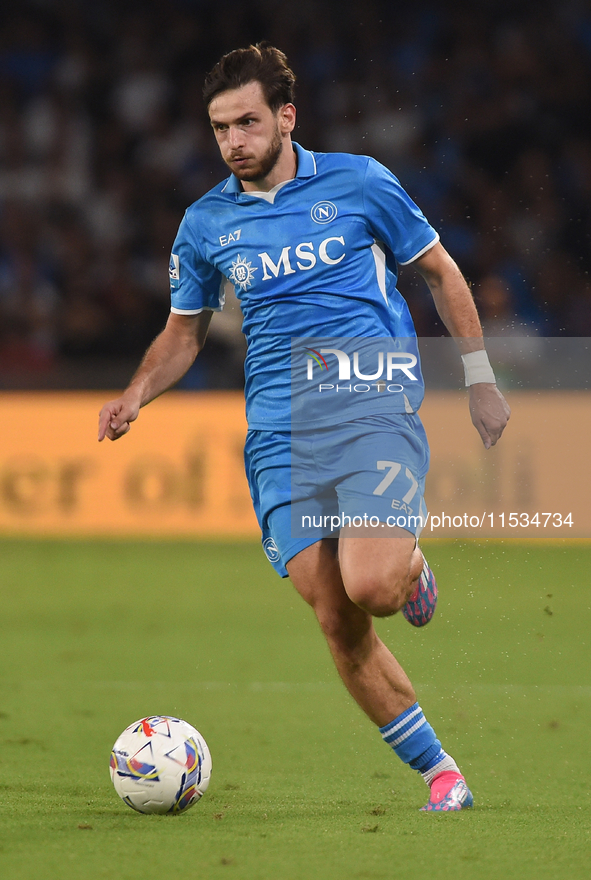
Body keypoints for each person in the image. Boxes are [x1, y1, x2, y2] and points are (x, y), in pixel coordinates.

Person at [98, 43, 510, 811]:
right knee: (333, 612)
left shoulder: (360, 181)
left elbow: (440, 271)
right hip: (279, 436)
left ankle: (411, 569)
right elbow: (183, 333)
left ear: (286, 118)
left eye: (247, 122)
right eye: (219, 127)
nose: (232, 141)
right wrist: (135, 395)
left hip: (369, 408)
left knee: (374, 587)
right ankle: (441, 773)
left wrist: (479, 380)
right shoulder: (204, 224)